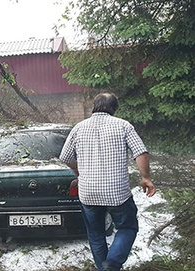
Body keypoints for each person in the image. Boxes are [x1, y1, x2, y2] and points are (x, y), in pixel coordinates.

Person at [59, 93, 156, 271]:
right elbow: (140, 152)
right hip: (116, 193)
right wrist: (146, 178)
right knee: (127, 227)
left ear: (94, 106)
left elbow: (65, 156)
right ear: (114, 108)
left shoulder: (79, 128)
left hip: (88, 193)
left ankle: (104, 268)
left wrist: (77, 170)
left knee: (96, 235)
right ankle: (111, 265)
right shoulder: (123, 126)